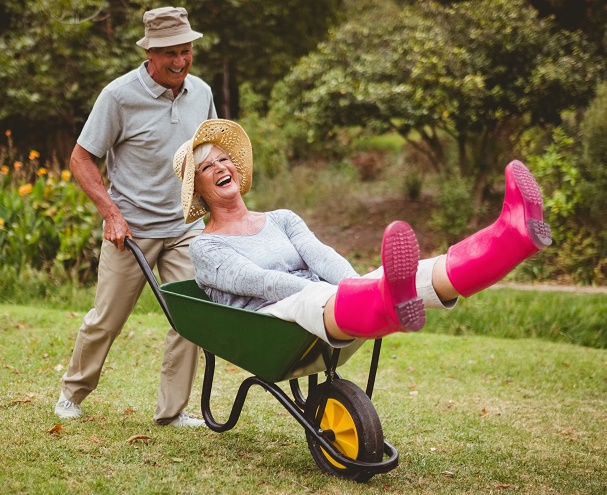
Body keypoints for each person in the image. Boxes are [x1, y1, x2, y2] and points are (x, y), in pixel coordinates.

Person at [172, 119, 552, 345]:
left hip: (330, 304)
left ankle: (511, 237)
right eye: (208, 167)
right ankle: (376, 300)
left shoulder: (282, 218)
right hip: (271, 322)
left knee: (417, 271)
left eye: (225, 159)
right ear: (199, 189)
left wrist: (357, 284)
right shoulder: (207, 246)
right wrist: (343, 294)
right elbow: (262, 283)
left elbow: (321, 255)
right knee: (327, 296)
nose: (222, 167)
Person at [55, 6, 217, 427]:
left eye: (186, 51)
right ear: (150, 54)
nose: (180, 61)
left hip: (184, 227)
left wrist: (218, 211)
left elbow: (210, 153)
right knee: (106, 319)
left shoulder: (200, 92)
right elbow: (81, 157)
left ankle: (172, 411)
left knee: (190, 318)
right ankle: (72, 394)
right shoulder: (119, 96)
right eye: (171, 54)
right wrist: (111, 213)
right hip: (131, 230)